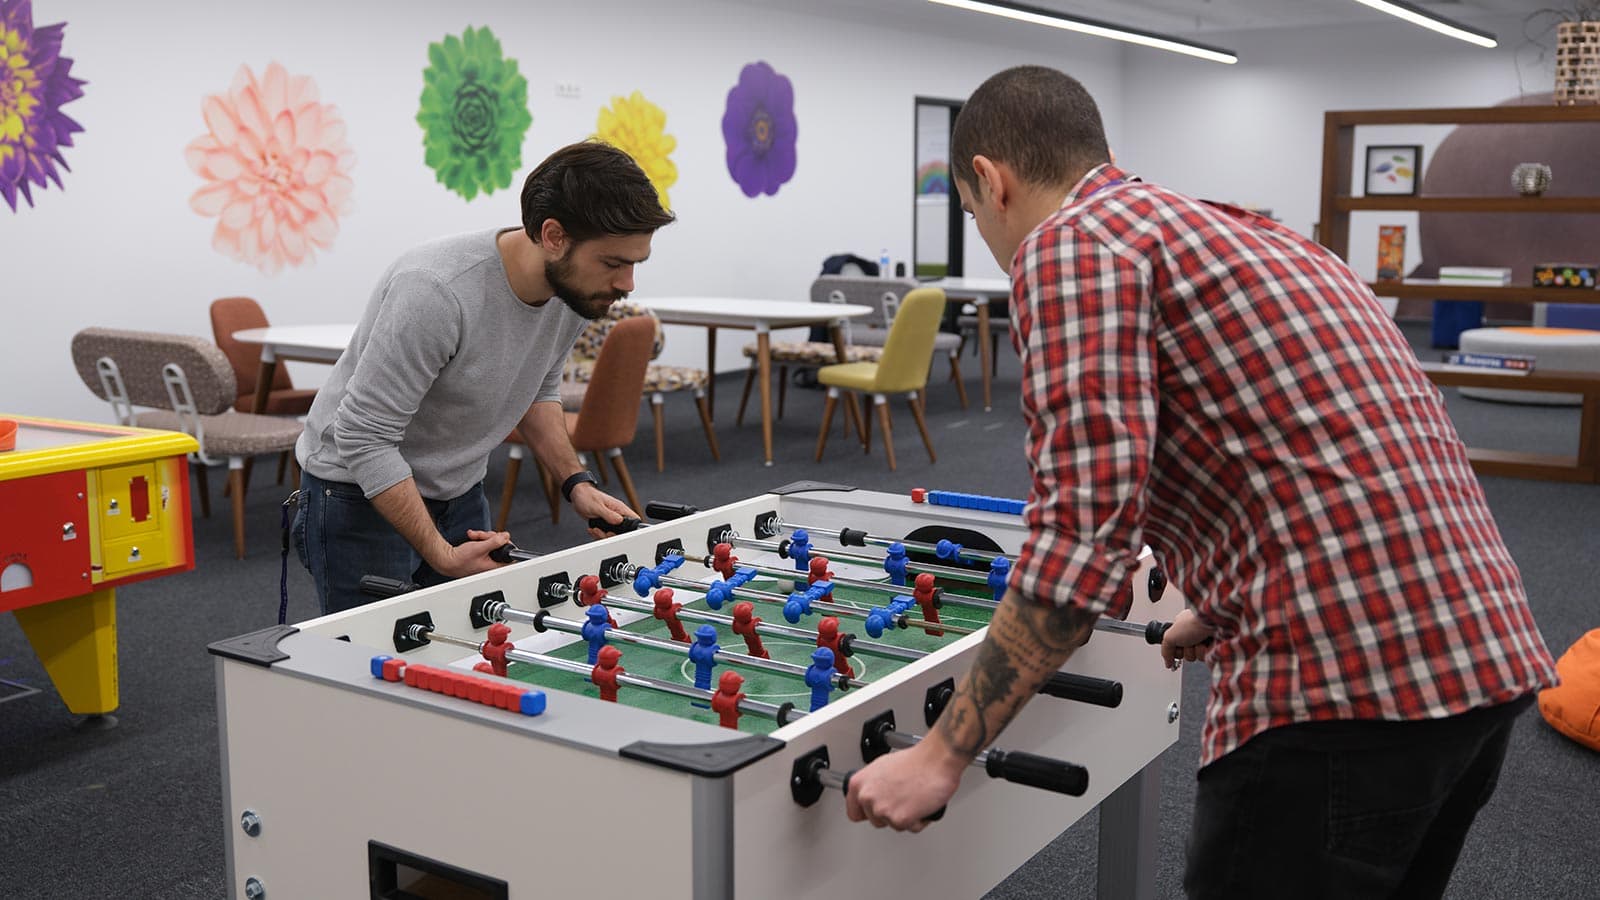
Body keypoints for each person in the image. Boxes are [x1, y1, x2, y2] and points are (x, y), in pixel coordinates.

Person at [844, 66, 1558, 899]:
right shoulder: (1259, 233)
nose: (990, 237)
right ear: (1103, 154)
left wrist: (940, 754)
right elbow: (1326, 442)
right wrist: (1219, 604)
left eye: (973, 216)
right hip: (1485, 659)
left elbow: (1080, 545)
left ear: (989, 182)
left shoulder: (1069, 246)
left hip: (1341, 694)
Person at [293, 141, 672, 614]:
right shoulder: (436, 291)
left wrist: (576, 481)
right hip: (357, 495)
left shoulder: (574, 290)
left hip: (460, 489)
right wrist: (440, 553)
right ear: (553, 235)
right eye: (614, 263)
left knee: (465, 653)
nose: (627, 284)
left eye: (636, 263)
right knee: (370, 668)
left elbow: (538, 389)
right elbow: (363, 437)